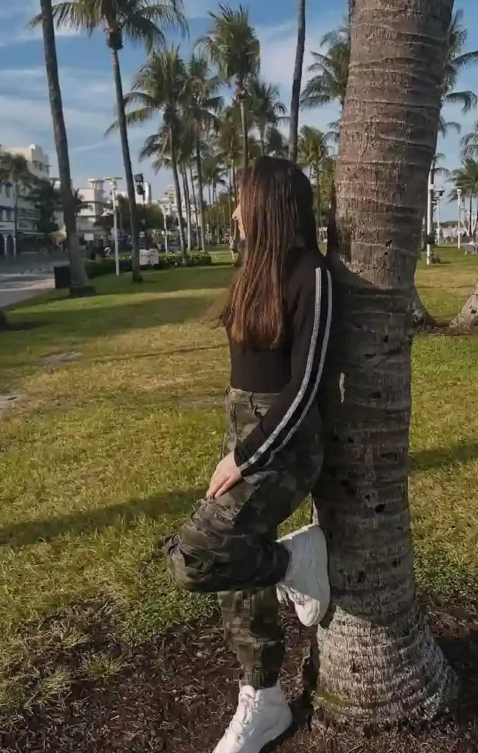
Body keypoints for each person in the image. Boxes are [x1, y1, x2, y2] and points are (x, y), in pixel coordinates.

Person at [168, 157, 333, 753]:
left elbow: (306, 383)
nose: (234, 211)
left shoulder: (311, 273)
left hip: (285, 446)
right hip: (242, 438)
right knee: (234, 564)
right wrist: (234, 448)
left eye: (241, 199)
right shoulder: (254, 270)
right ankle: (263, 699)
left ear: (266, 205)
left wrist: (245, 456)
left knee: (195, 558)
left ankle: (293, 562)